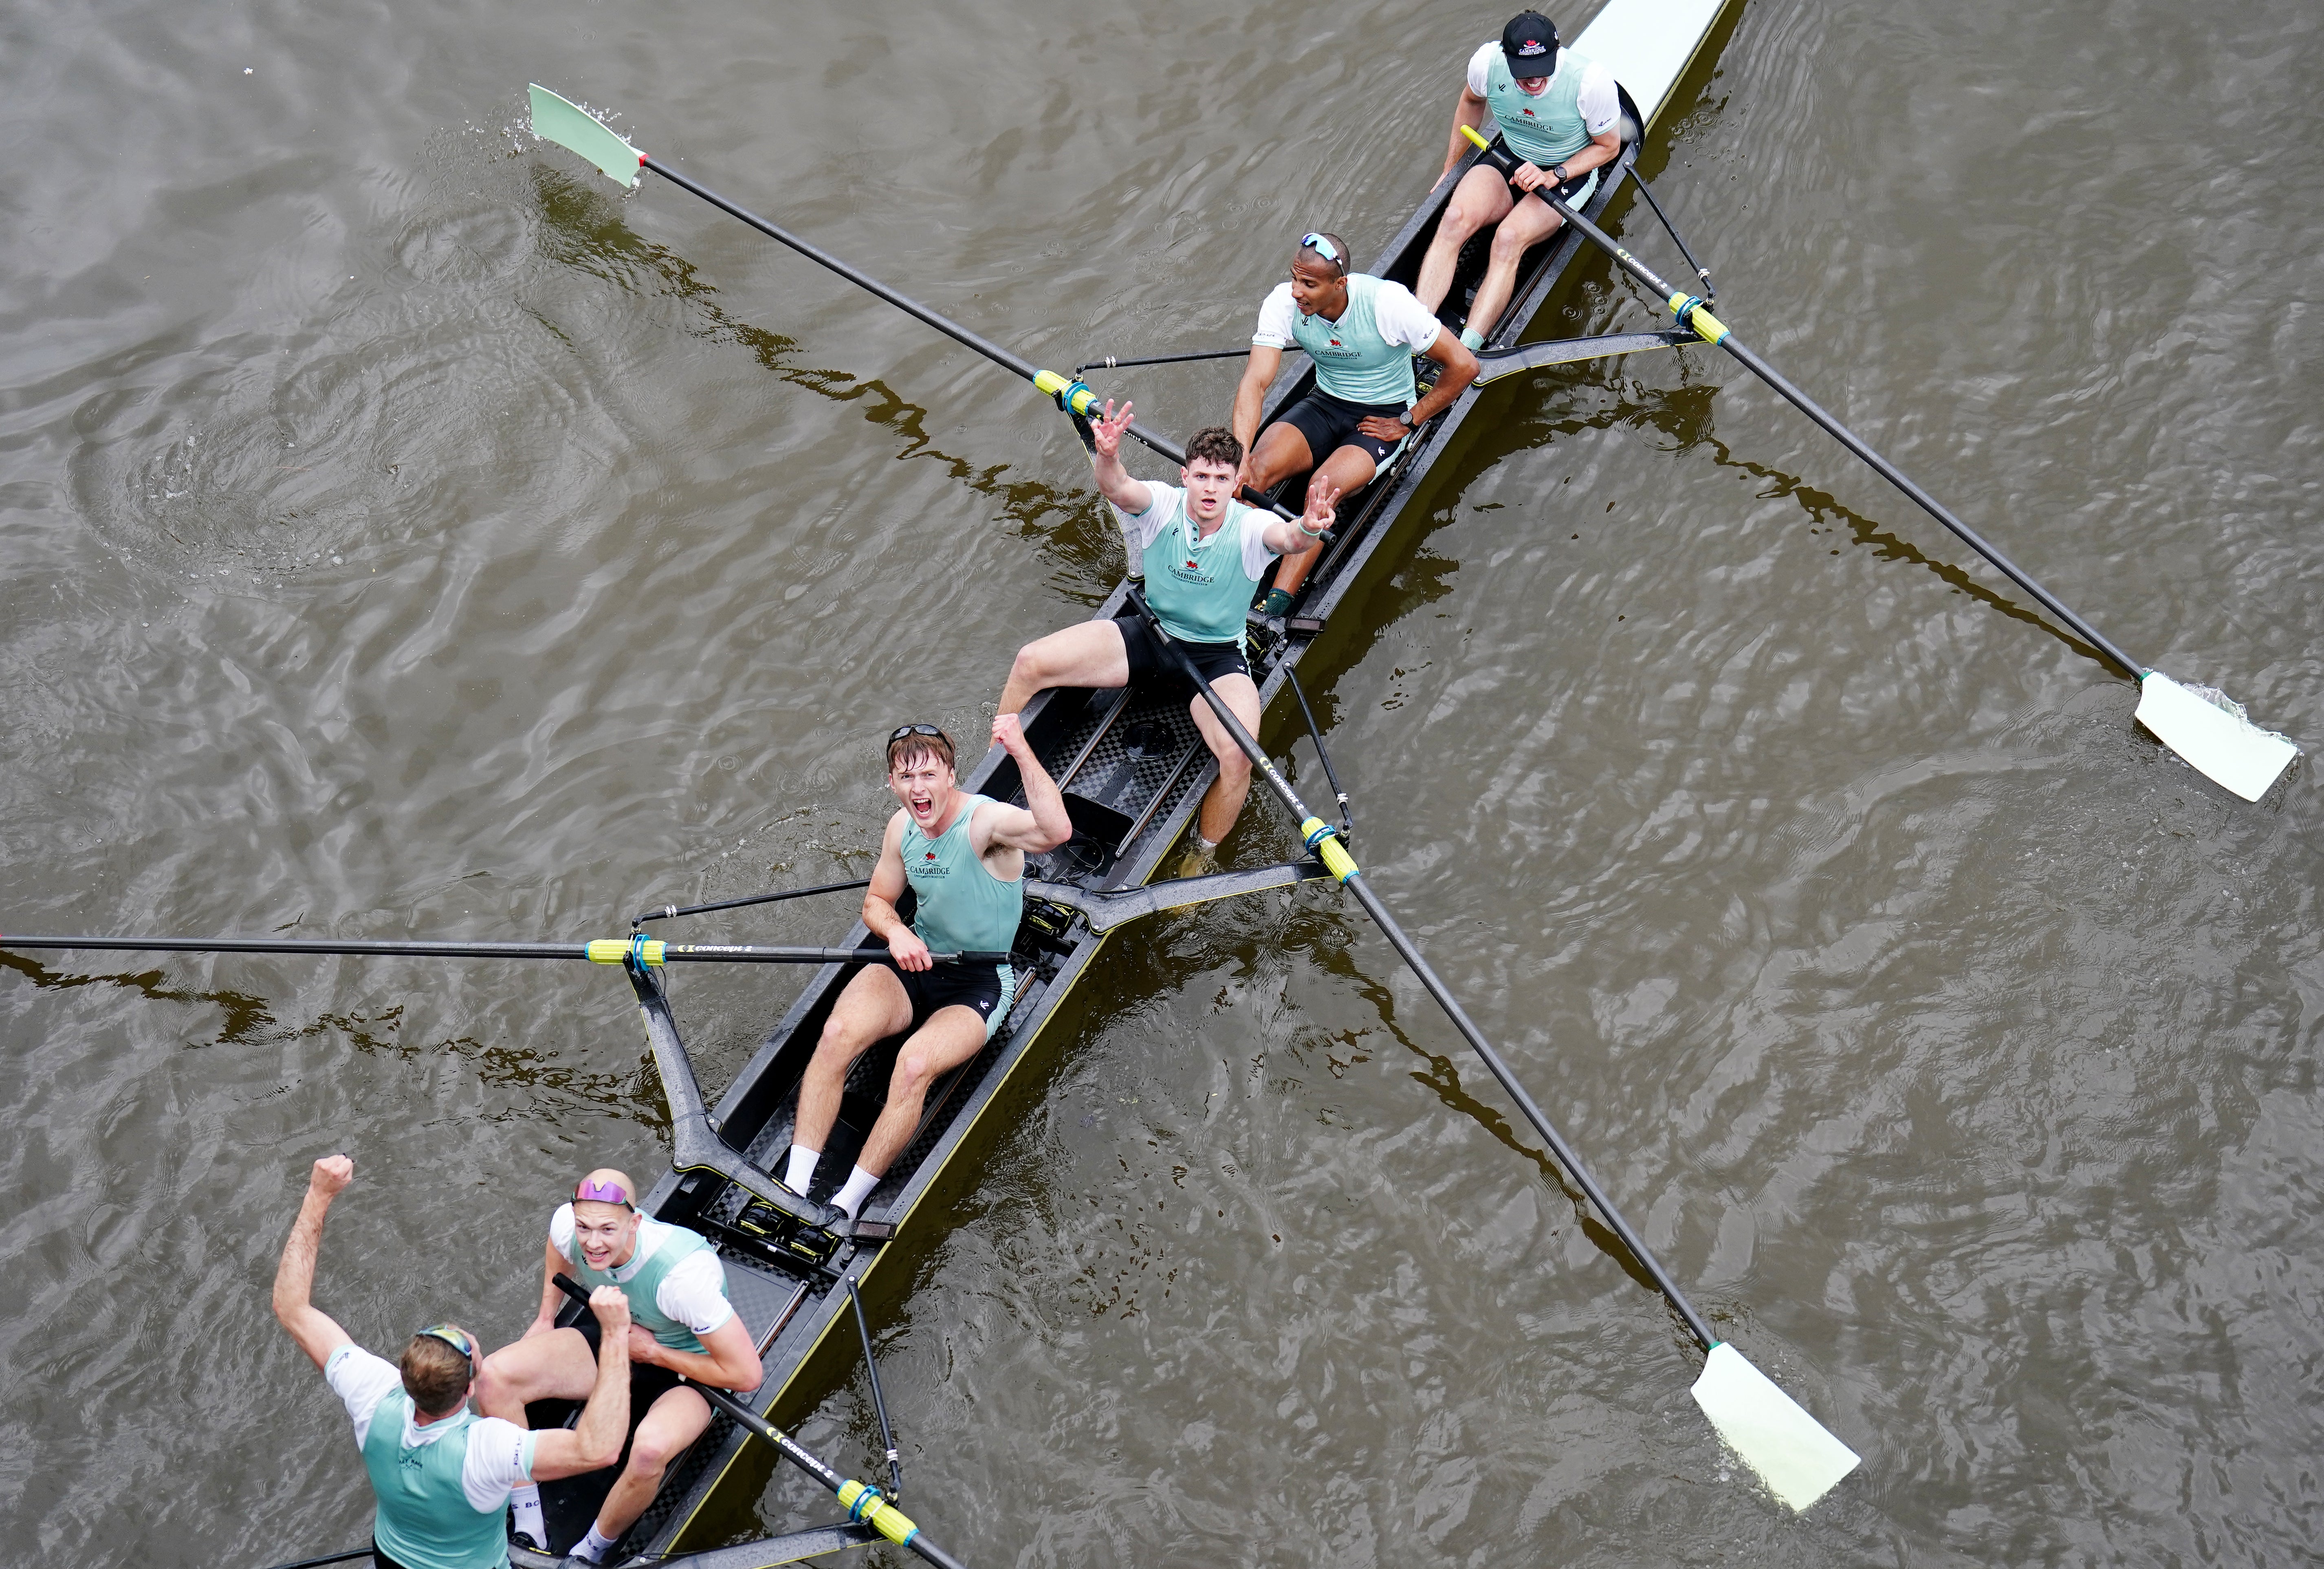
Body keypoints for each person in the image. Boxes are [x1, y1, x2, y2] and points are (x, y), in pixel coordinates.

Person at [998, 404, 1337, 860]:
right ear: (1184, 477)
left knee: (1238, 757)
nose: (1210, 489)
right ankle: (989, 789)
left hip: (1214, 658)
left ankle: (1202, 854)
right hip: (1150, 634)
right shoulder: (1161, 503)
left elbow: (1289, 539)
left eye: (1221, 479)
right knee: (1029, 663)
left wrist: (1310, 528)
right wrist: (1108, 453)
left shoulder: (1251, 526)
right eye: (1201, 477)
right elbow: (1116, 485)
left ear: (1237, 483)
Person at [272, 1155, 634, 1569]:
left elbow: (292, 1307)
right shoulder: (487, 1447)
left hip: (391, 1557)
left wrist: (318, 1195)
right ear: (469, 1389)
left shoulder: (372, 1398)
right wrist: (614, 1336)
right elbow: (599, 1450)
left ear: (405, 1376)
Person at [784, 715, 1072, 1217]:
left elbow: (1056, 829)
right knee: (834, 1035)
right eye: (907, 777)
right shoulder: (901, 827)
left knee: (913, 1065)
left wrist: (1022, 750)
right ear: (892, 784)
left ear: (950, 777)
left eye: (928, 775)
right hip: (916, 960)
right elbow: (877, 901)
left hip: (978, 980)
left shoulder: (986, 825)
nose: (919, 788)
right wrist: (897, 932)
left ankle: (845, 1206)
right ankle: (792, 1187)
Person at [476, 1170, 762, 1564]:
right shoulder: (566, 1225)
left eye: (608, 1230)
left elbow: (746, 1375)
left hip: (687, 1375)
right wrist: (546, 1317)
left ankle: (591, 1551)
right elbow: (559, 1252)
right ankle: (529, 1521)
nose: (593, 1243)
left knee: (648, 1452)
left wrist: (654, 1353)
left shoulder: (683, 1280)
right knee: (493, 1377)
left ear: (636, 1222)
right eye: (584, 1227)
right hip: (616, 1342)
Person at [1231, 234, 1477, 615]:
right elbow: (1255, 382)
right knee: (1252, 474)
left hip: (1381, 416)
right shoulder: (1284, 303)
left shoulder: (1388, 304)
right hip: (1324, 404)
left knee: (1320, 491)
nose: (1296, 292)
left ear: (1339, 284)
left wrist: (1409, 421)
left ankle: (1271, 612)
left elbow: (1464, 366)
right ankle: (1225, 575)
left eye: (1309, 284)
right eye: (1295, 279)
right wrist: (1240, 454)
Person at [1413, 12, 1622, 348]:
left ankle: (1467, 350)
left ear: (1556, 52)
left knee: (1508, 240)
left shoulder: (1590, 83)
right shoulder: (1486, 63)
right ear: (1505, 58)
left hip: (1566, 174)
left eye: (1543, 68)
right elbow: (1470, 101)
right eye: (1524, 73)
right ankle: (1417, 332)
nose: (1534, 80)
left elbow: (1610, 148)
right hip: (1509, 158)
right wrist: (1450, 169)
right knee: (1453, 219)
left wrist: (1554, 174)